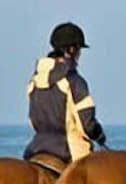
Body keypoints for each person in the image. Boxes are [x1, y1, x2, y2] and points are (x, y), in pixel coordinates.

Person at [23, 22, 106, 170]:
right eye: (79, 50)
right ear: (72, 50)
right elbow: (86, 124)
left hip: (36, 148)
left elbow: (32, 120)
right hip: (69, 152)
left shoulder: (34, 81)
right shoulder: (74, 81)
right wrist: (99, 135)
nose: (79, 55)